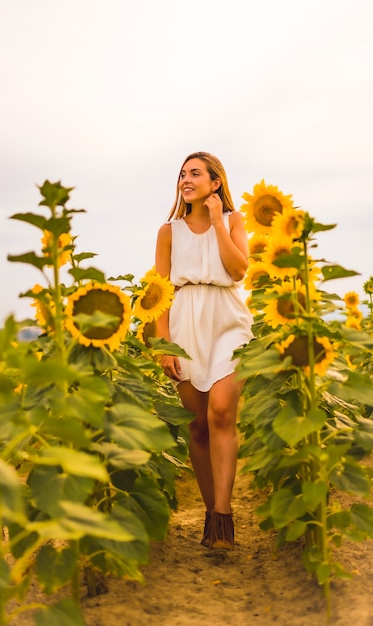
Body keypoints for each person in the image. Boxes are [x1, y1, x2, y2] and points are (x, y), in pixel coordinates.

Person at [155, 151, 253, 550]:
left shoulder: (232, 221)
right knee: (196, 425)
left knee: (221, 412)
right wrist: (164, 344)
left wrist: (217, 223)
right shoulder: (168, 231)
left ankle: (224, 516)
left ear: (216, 183)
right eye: (182, 174)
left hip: (227, 319)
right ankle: (212, 515)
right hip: (184, 323)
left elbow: (238, 270)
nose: (185, 180)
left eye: (195, 173)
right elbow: (158, 291)